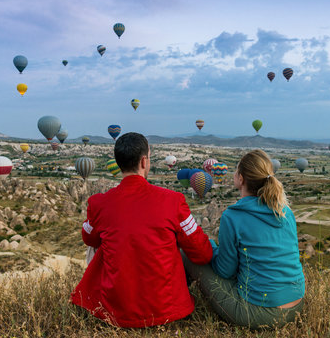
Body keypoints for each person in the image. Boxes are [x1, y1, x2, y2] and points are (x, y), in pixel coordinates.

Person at [71, 132, 212, 328]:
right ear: (144, 161)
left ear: (119, 163)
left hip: (116, 312)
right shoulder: (173, 201)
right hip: (167, 309)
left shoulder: (99, 203)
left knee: (100, 242)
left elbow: (88, 239)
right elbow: (202, 253)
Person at [183, 149, 305, 329]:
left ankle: (172, 306)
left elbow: (225, 270)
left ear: (241, 179)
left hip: (259, 313)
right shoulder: (285, 211)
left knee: (187, 252)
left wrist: (209, 245)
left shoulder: (233, 216)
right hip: (296, 306)